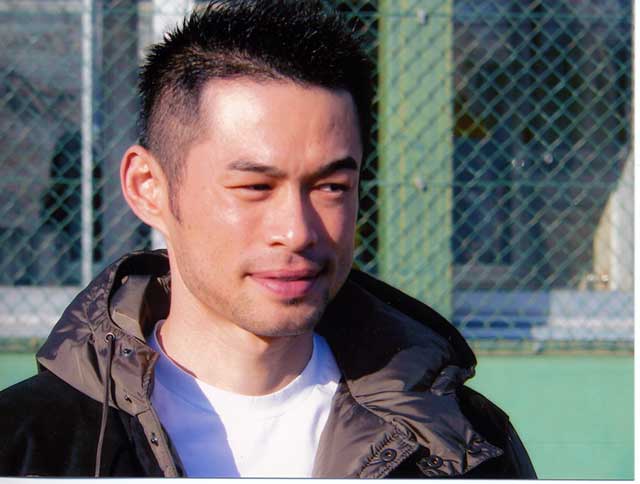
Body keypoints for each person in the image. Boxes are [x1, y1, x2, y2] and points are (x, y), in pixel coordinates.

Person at [0, 0, 536, 478]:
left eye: (331, 187)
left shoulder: (462, 447)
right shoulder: (28, 447)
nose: (296, 231)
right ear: (149, 188)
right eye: (255, 187)